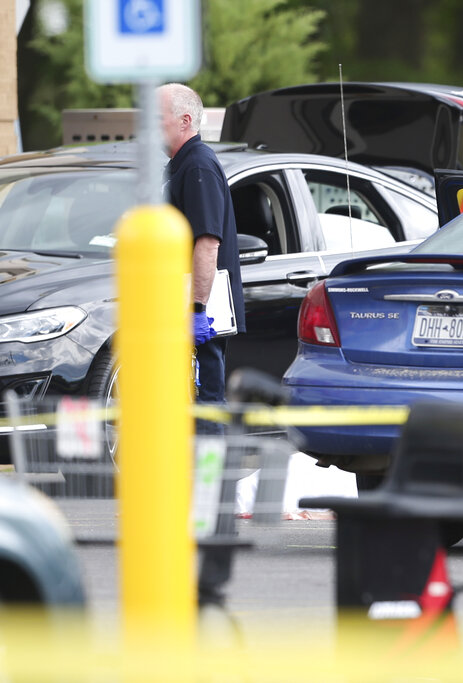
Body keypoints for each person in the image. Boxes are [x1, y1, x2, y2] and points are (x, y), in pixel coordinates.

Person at [159, 82, 247, 608]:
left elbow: (206, 243)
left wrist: (196, 311)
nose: (152, 125)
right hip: (190, 307)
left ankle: (213, 507)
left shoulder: (197, 166)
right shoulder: (182, 165)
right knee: (194, 407)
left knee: (208, 406)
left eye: (159, 116)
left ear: (186, 121)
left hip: (203, 312)